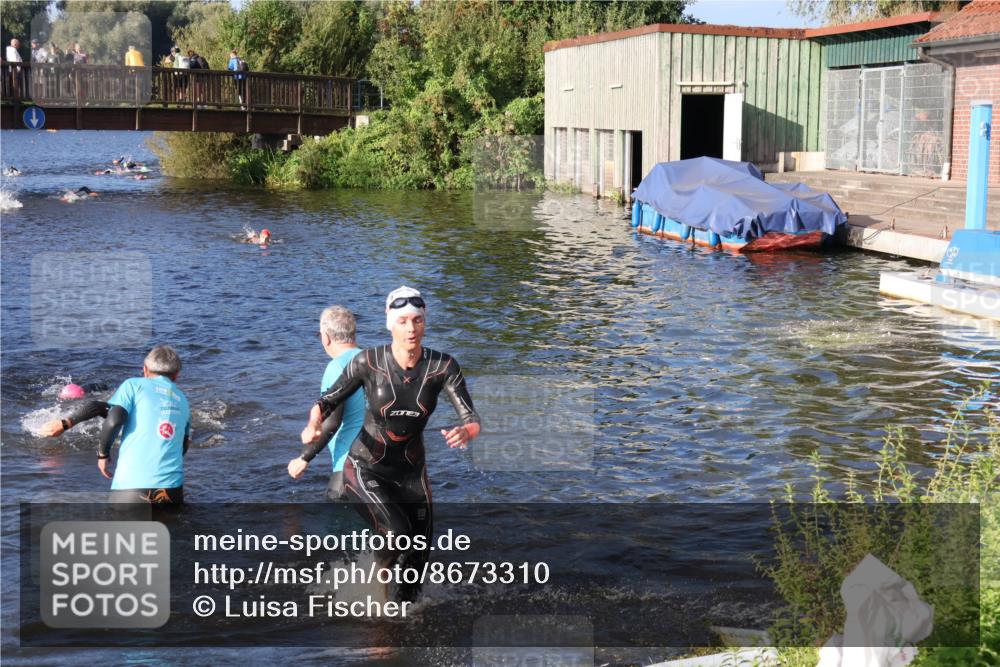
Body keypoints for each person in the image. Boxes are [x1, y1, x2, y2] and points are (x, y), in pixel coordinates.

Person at [300, 286, 481, 601]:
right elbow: (328, 401)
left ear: (425, 323)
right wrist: (313, 425)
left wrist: (467, 432)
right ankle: (378, 598)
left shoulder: (443, 366)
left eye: (417, 321)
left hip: (411, 473)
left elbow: (471, 417)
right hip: (366, 466)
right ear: (389, 323)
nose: (411, 329)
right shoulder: (368, 363)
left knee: (418, 559)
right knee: (397, 535)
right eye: (403, 321)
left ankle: (403, 614)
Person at [288, 306, 365, 500]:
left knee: (336, 525)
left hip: (350, 464)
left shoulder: (336, 367)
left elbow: (332, 421)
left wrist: (304, 458)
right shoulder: (371, 361)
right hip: (382, 460)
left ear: (326, 337)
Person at [100, 346, 190, 504]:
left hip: (130, 489)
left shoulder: (133, 385)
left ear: (145, 370)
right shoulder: (183, 400)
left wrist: (103, 454)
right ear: (176, 376)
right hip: (172, 490)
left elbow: (114, 421)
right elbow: (184, 444)